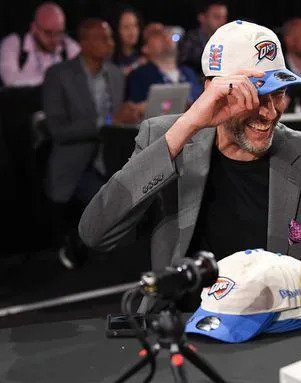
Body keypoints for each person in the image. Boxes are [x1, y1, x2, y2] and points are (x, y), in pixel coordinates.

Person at [79, 20, 301, 312]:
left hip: (282, 339)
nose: (270, 112)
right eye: (254, 96)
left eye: (278, 94)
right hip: (185, 330)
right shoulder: (167, 140)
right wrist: (186, 126)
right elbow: (95, 232)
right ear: (214, 91)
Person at [43, 18, 141, 268]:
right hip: (74, 162)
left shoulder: (117, 75)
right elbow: (58, 130)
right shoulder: (59, 75)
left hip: (112, 157)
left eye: (110, 37)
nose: (109, 43)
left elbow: (119, 121)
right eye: (102, 38)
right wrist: (107, 121)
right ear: (83, 43)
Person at [0, 2, 80, 86]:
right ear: (34, 27)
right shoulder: (13, 43)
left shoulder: (68, 47)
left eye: (59, 33)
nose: (55, 39)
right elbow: (11, 82)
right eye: (48, 33)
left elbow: (83, 79)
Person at [126, 23, 202, 104]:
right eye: (156, 34)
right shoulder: (139, 76)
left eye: (166, 31)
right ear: (145, 48)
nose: (165, 34)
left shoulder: (189, 73)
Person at [178, 0, 228, 72]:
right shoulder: (191, 40)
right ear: (202, 18)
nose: (223, 21)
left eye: (224, 17)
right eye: (217, 17)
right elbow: (184, 66)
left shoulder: (227, 38)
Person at [112, 7, 146, 76]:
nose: (132, 32)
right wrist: (136, 65)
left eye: (135, 26)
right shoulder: (110, 57)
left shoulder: (145, 53)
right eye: (126, 27)